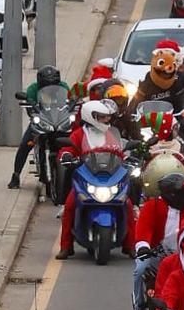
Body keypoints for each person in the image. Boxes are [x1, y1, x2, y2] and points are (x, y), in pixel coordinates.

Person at [56, 98, 133, 260]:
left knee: (128, 205)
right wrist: (67, 155)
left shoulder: (111, 134)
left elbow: (119, 151)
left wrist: (127, 158)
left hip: (108, 176)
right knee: (70, 206)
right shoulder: (79, 134)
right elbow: (67, 148)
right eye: (102, 117)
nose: (106, 120)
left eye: (107, 117)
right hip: (87, 176)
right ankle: (66, 246)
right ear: (91, 116)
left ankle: (130, 245)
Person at [133, 174, 184, 310]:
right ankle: (139, 307)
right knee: (140, 268)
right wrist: (143, 246)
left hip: (182, 257)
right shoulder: (153, 206)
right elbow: (144, 228)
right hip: (156, 254)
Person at [7, 65, 77, 189]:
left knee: (75, 141)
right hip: (43, 120)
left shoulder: (63, 87)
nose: (50, 88)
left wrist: (72, 102)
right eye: (46, 85)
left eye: (53, 84)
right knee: (25, 144)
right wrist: (32, 107)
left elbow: (69, 101)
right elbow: (30, 107)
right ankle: (16, 176)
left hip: (58, 120)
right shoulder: (33, 89)